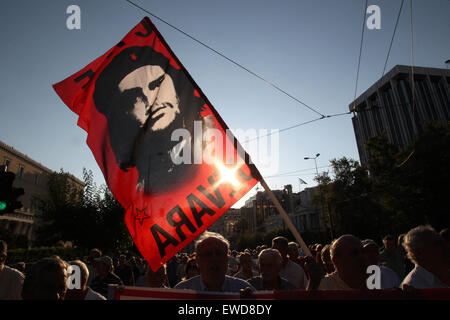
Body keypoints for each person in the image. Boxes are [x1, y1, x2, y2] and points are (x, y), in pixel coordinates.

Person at [93, 45, 213, 195]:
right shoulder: (143, 189)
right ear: (122, 118)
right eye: (134, 97)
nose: (151, 101)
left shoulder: (213, 147)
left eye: (158, 84)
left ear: (177, 88)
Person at [174, 231, 255, 292]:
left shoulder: (244, 289)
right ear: (198, 261)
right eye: (208, 254)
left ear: (228, 259)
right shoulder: (181, 291)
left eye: (219, 253)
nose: (214, 259)